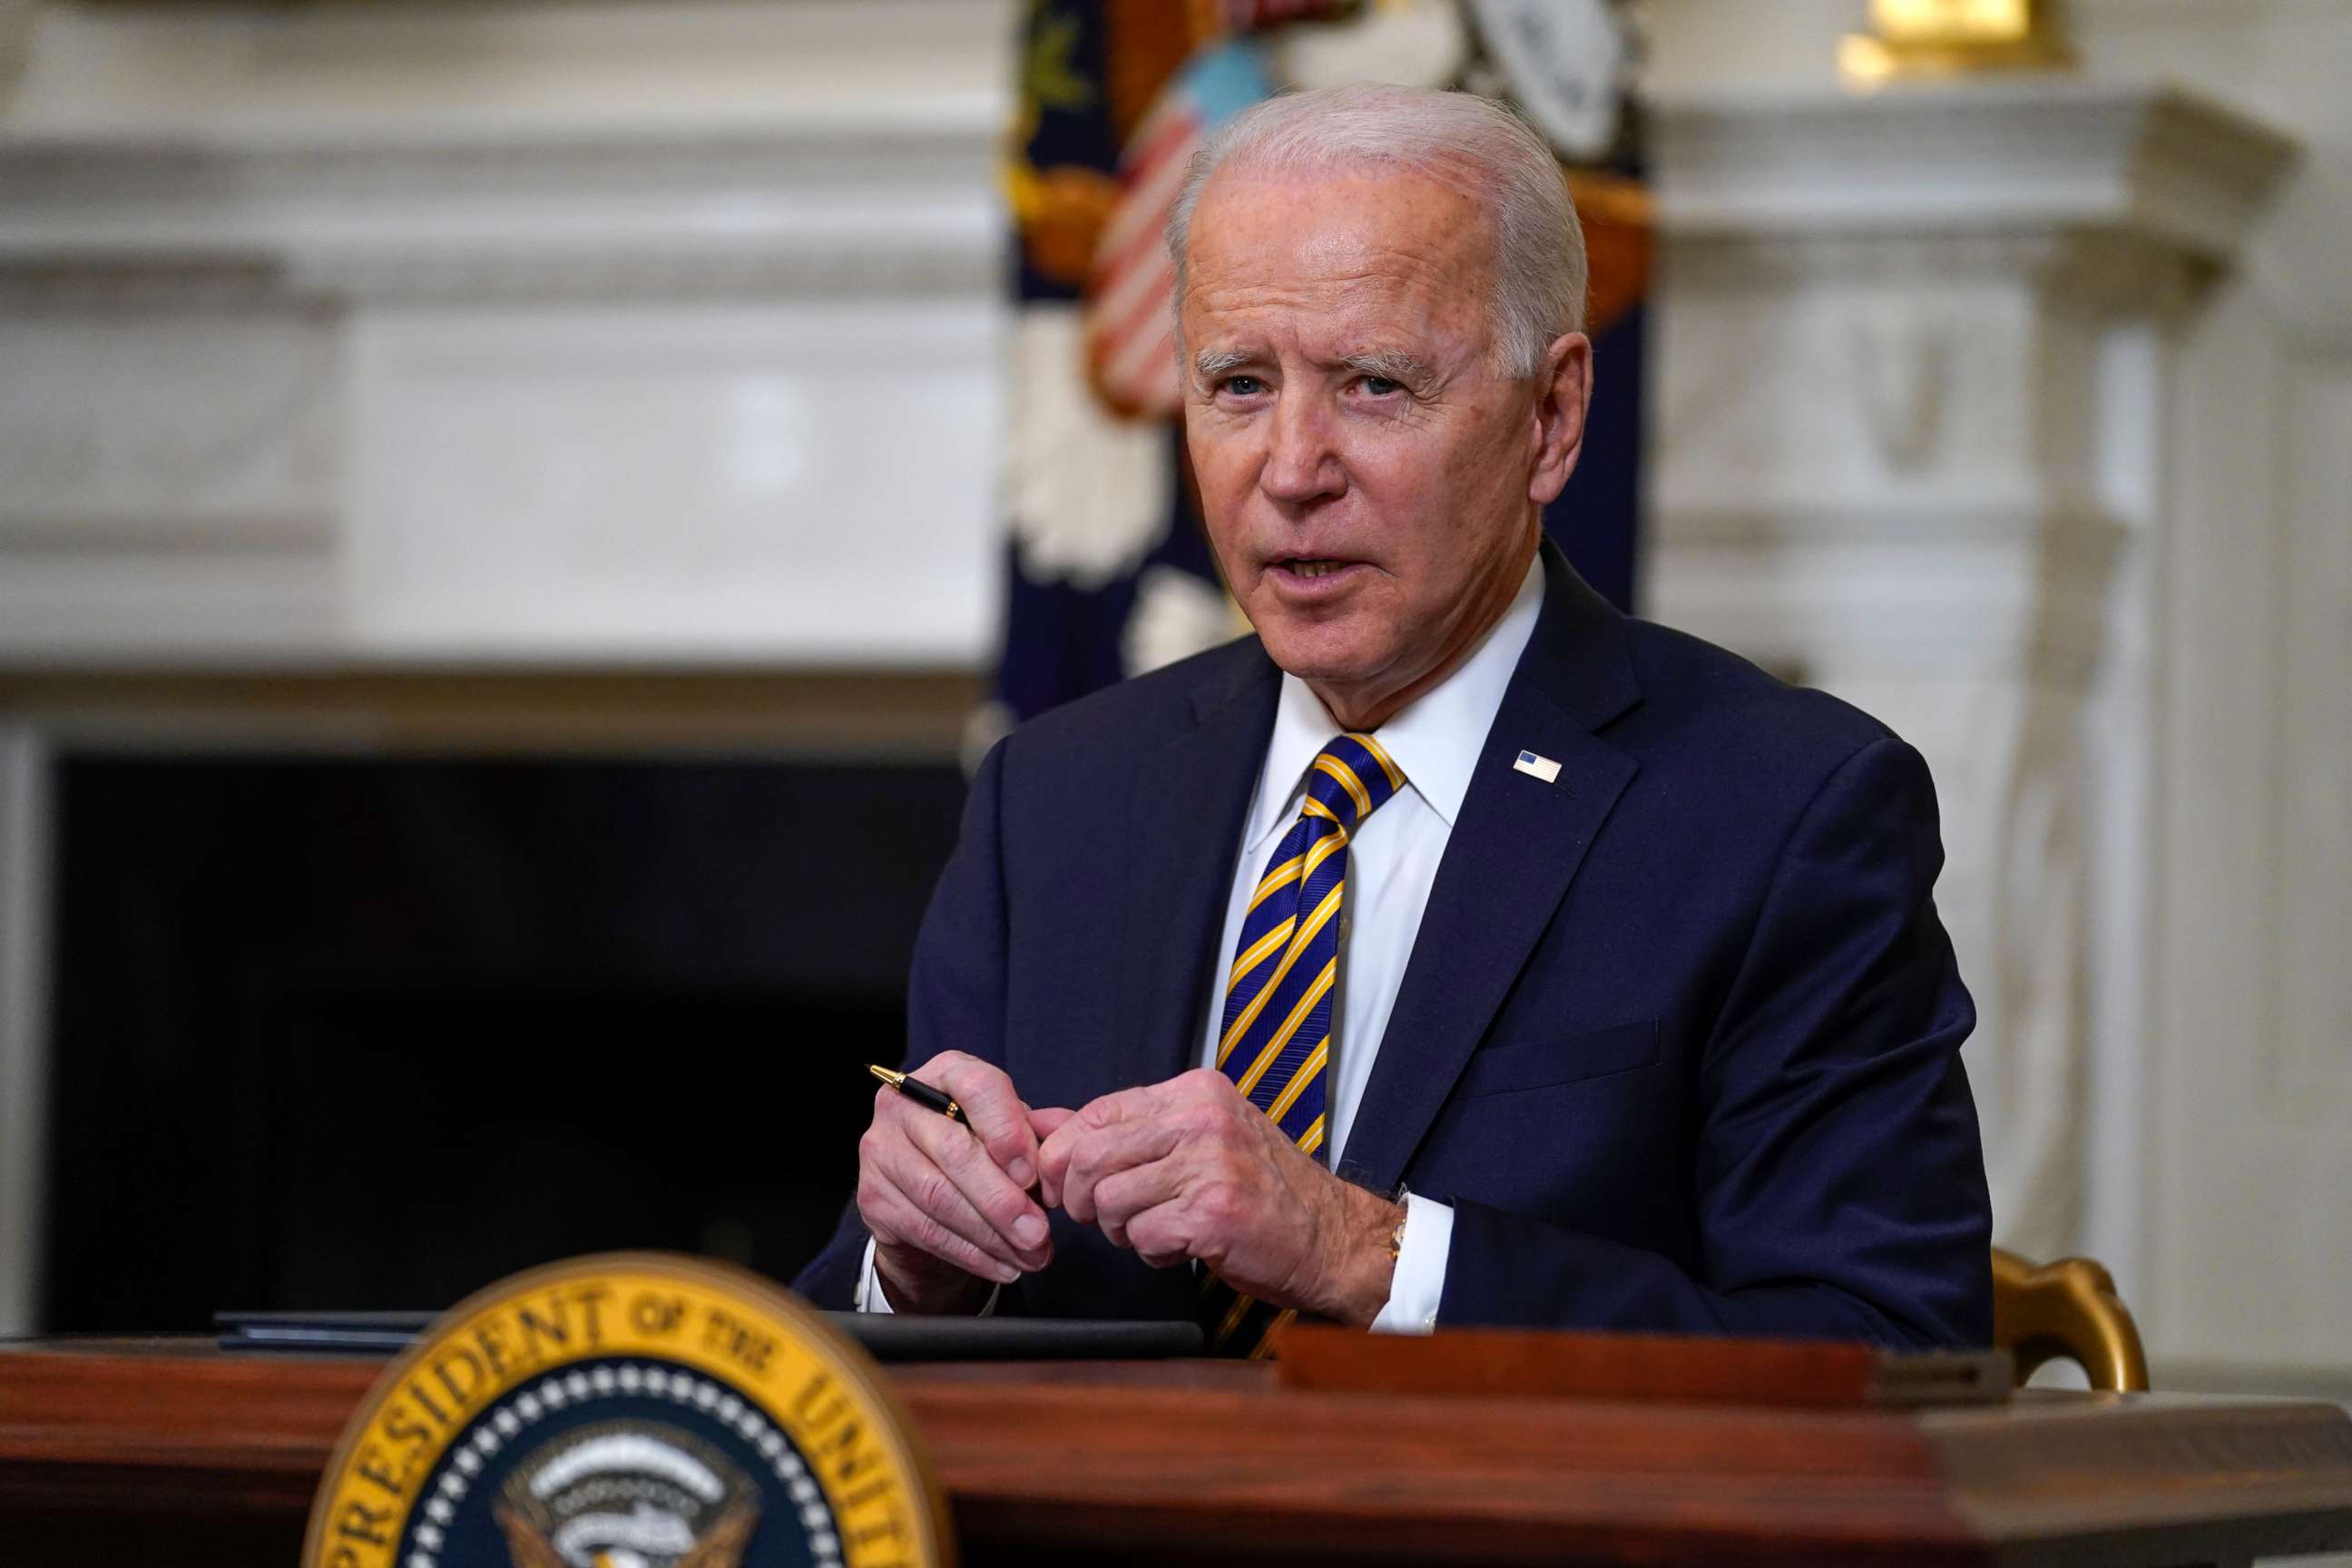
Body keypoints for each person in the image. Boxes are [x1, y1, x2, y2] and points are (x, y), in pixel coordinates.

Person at [795, 83, 1992, 1349]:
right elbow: (857, 1371)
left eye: (1374, 386)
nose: (1293, 469)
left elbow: (1888, 1354)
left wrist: (1360, 1252)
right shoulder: (1056, 796)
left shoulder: (1780, 811)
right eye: (1239, 385)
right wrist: (915, 1266)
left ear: (1553, 415)